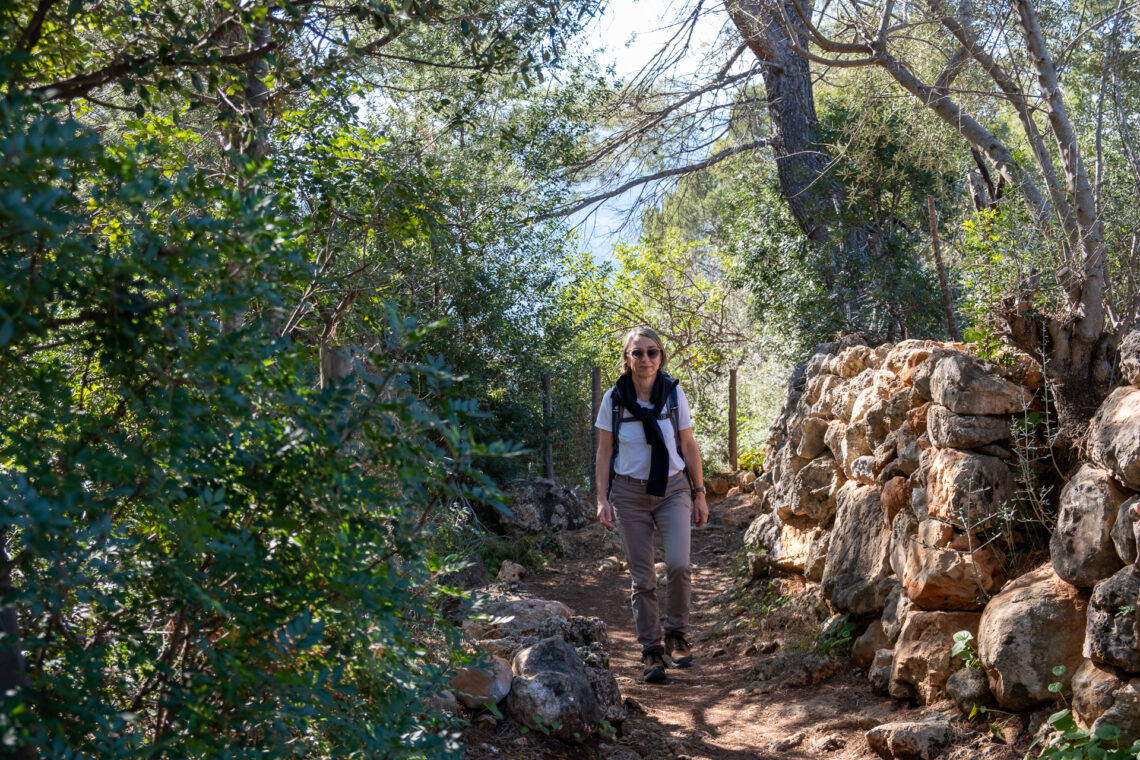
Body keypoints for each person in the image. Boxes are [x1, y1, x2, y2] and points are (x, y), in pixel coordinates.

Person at [594, 327, 708, 684]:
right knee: (642, 577)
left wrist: (700, 492)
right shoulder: (613, 399)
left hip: (673, 489)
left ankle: (676, 632)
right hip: (629, 495)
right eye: (638, 353)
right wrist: (601, 498)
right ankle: (651, 651)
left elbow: (688, 446)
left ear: (661, 357)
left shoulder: (674, 394)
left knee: (678, 565)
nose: (645, 359)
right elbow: (604, 451)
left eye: (652, 352)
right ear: (627, 359)